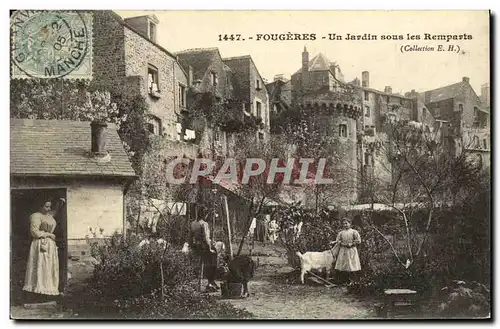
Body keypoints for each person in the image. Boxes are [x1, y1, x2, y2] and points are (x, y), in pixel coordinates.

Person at [23, 198, 66, 301]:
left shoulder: (49, 215)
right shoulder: (36, 216)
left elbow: (54, 212)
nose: (48, 209)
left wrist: (59, 204)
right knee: (40, 266)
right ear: (40, 206)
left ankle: (47, 292)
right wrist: (49, 234)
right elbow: (34, 232)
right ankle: (38, 293)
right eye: (46, 206)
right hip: (39, 244)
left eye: (49, 206)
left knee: (48, 268)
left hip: (50, 245)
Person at [188, 212, 219, 292]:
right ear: (205, 215)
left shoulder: (193, 223)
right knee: (214, 257)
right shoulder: (204, 224)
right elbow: (206, 238)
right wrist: (210, 248)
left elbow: (190, 237)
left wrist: (192, 246)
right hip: (203, 247)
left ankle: (211, 281)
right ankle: (210, 281)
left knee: (210, 258)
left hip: (196, 246)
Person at [334, 218, 361, 285]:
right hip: (343, 250)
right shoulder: (341, 233)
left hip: (351, 250)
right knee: (343, 265)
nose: (345, 225)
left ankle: (352, 281)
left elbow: (358, 241)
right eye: (343, 224)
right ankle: (344, 280)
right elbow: (338, 241)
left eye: (346, 223)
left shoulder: (354, 232)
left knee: (351, 264)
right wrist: (338, 242)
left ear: (350, 224)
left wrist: (352, 244)